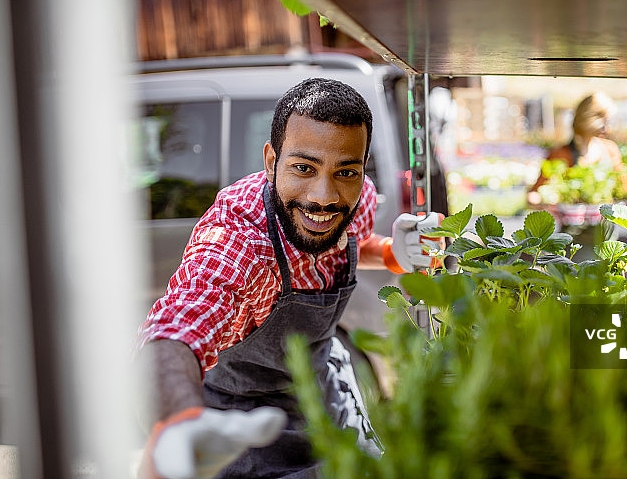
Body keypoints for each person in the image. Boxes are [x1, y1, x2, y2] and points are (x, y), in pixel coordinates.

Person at [136, 78, 441, 479]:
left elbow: (346, 243)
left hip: (322, 394)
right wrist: (179, 421)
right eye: (303, 167)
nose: (323, 196)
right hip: (242, 426)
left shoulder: (358, 194)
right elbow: (173, 332)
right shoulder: (240, 240)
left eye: (346, 171)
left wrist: (390, 254)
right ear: (270, 160)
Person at [527, 92, 625, 205]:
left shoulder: (610, 149)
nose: (607, 128)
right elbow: (536, 192)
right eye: (603, 121)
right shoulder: (560, 155)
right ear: (587, 120)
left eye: (608, 122)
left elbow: (624, 187)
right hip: (571, 218)